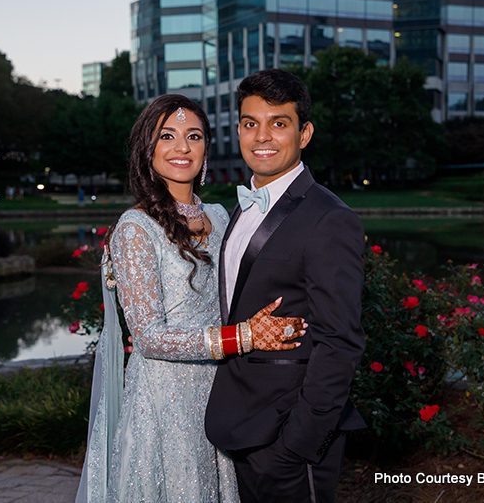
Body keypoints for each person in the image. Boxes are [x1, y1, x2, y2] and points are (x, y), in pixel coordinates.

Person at [76, 94, 306, 503]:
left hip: (222, 392)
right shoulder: (136, 227)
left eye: (193, 136)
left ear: (206, 149)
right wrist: (244, 337)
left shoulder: (220, 214)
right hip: (166, 403)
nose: (182, 147)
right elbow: (148, 337)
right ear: (148, 149)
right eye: (167, 136)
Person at [205, 69, 367, 503]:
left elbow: (340, 342)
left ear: (304, 132)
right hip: (242, 425)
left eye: (279, 123)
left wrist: (299, 443)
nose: (262, 136)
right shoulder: (240, 208)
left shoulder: (329, 218)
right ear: (237, 129)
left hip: (289, 438)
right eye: (250, 123)